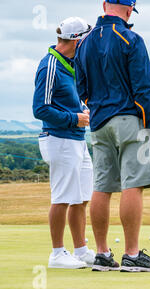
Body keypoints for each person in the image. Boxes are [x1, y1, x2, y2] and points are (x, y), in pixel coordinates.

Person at [75, 0, 150, 272]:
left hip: (99, 122)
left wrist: (98, 107)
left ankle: (102, 254)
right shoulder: (132, 39)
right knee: (133, 185)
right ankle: (131, 253)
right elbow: (142, 91)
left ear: (104, 5)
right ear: (129, 10)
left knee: (102, 186)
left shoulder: (83, 43)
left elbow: (82, 89)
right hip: (129, 118)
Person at [32, 17, 95, 269]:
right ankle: (57, 253)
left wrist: (83, 113)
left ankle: (80, 250)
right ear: (77, 41)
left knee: (80, 196)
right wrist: (74, 118)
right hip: (59, 139)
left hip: (77, 139)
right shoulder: (49, 66)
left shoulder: (72, 65)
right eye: (86, 39)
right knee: (62, 197)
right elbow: (40, 109)